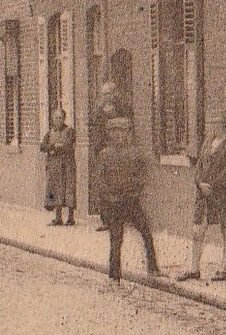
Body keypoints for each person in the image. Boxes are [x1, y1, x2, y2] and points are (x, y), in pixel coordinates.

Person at [178, 111, 226, 282]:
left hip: (224, 194)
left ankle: (223, 269)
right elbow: (199, 166)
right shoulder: (208, 142)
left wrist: (212, 186)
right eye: (212, 123)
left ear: (224, 125)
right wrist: (199, 183)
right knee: (198, 229)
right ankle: (194, 268)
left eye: (216, 123)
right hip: (204, 194)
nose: (212, 127)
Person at [93, 116, 160, 281]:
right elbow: (99, 181)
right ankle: (114, 274)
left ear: (128, 133)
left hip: (130, 201)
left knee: (145, 231)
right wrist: (108, 197)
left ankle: (153, 267)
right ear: (109, 134)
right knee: (116, 238)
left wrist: (136, 189)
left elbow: (144, 175)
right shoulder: (104, 155)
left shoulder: (135, 153)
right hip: (113, 202)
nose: (118, 135)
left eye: (122, 131)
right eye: (114, 132)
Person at [87, 82, 131, 232]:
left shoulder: (122, 107)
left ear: (115, 93)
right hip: (102, 151)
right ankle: (106, 219)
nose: (107, 97)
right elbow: (94, 128)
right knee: (103, 186)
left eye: (109, 93)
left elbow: (128, 126)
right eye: (104, 94)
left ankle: (122, 218)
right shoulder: (98, 110)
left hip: (119, 152)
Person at [39, 107, 77, 226]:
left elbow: (68, 146)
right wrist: (53, 146)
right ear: (52, 119)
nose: (58, 120)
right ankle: (58, 218)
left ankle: (71, 218)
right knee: (55, 190)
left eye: (60, 118)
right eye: (56, 118)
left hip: (67, 165)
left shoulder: (70, 131)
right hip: (54, 166)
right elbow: (42, 146)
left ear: (64, 119)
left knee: (69, 189)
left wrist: (54, 148)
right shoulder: (50, 132)